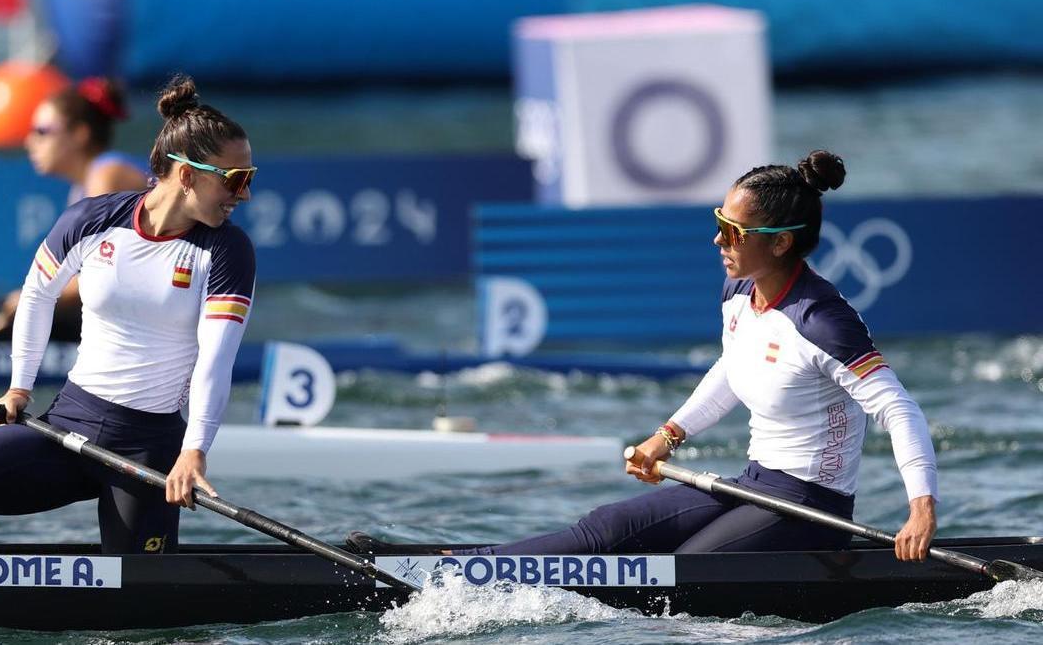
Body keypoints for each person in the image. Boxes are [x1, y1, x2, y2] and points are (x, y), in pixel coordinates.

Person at [348, 150, 938, 562]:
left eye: (733, 231)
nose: (717, 240)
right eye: (719, 222)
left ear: (780, 242)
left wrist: (920, 512)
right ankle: (456, 562)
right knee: (604, 529)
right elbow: (733, 369)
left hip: (811, 508)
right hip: (754, 482)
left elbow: (900, 411)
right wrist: (669, 434)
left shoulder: (822, 320)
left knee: (685, 569)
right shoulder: (739, 294)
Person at [0, 74, 257, 554]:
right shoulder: (93, 219)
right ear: (188, 174)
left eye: (248, 179)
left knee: (139, 619)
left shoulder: (227, 250)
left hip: (147, 449)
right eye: (235, 180)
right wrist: (19, 389)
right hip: (68, 425)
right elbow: (36, 295)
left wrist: (194, 451)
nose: (244, 195)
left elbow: (216, 360)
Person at [0, 77, 151, 342]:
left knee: (18, 321)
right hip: (137, 309)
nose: (29, 142)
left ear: (79, 135)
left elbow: (103, 274)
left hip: (157, 315)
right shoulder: (82, 189)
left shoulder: (107, 174)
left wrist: (28, 299)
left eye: (41, 131)